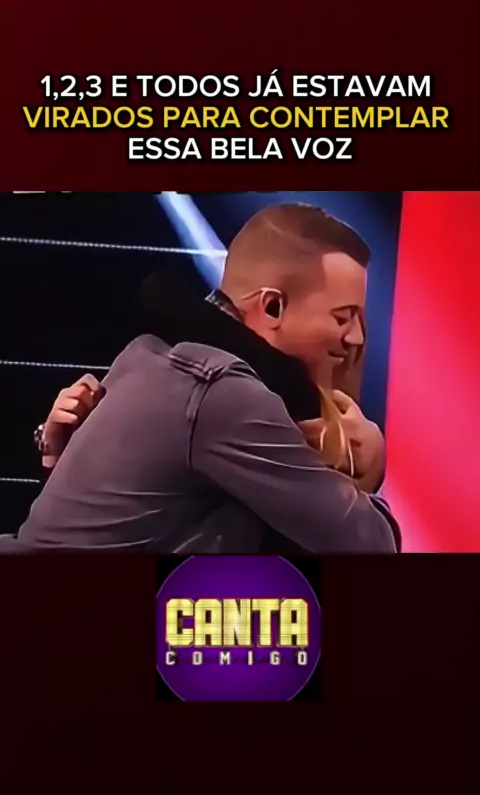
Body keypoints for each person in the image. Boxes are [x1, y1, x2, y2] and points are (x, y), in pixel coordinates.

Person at [4, 203, 399, 553]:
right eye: (342, 318)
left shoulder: (148, 355)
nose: (356, 338)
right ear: (272, 307)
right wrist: (369, 468)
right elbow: (371, 546)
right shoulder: (225, 393)